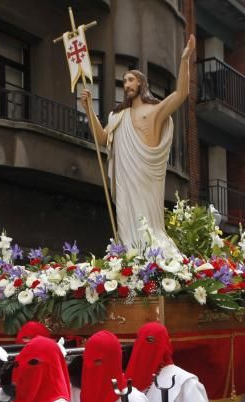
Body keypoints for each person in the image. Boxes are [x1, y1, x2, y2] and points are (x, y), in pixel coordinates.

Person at [80, 35, 195, 252]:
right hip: (125, 178)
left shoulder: (154, 111)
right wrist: (88, 110)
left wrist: (185, 59)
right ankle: (130, 259)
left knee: (149, 226)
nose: (126, 85)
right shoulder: (118, 115)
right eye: (124, 81)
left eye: (130, 80)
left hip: (146, 178)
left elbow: (181, 94)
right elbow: (103, 139)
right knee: (126, 225)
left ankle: (153, 258)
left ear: (141, 83)